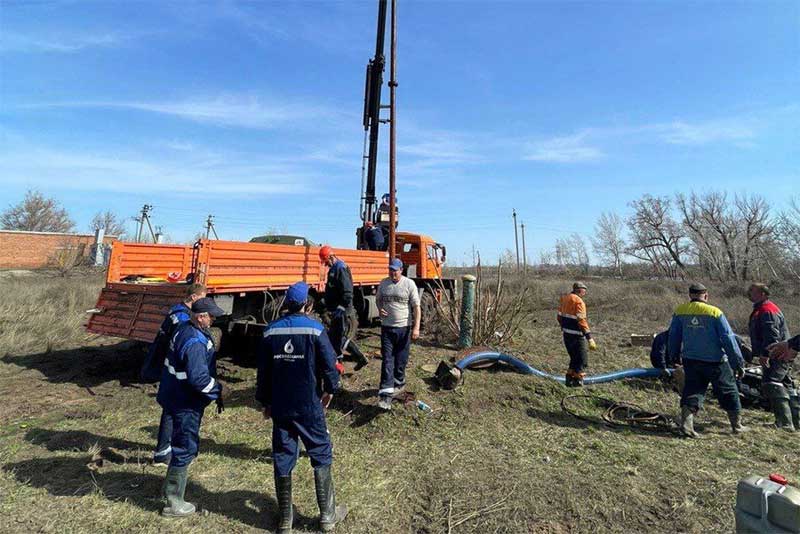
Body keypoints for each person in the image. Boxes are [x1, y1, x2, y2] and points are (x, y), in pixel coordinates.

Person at [256, 281, 347, 533]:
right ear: (307, 304)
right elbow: (330, 366)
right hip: (309, 404)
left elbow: (263, 372)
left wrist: (265, 402)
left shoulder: (270, 331)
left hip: (281, 405)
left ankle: (285, 521)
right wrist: (330, 390)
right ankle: (327, 516)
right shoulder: (316, 330)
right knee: (320, 451)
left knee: (283, 454)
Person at [157, 297, 225, 517]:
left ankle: (169, 489)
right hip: (185, 401)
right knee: (185, 447)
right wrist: (219, 389)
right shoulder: (194, 341)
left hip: (173, 394)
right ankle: (174, 502)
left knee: (181, 443)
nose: (214, 320)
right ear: (200, 316)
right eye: (211, 316)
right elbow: (199, 380)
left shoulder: (183, 328)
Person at [668, 283, 747, 438]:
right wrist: (737, 363)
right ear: (706, 295)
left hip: (690, 360)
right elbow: (728, 338)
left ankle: (686, 426)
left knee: (692, 390)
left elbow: (673, 335)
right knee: (729, 391)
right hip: (715, 361)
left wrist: (673, 356)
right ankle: (737, 426)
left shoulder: (680, 311)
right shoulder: (715, 312)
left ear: (690, 295)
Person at [143, 283, 207, 466]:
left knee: (172, 411)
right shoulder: (181, 317)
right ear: (194, 297)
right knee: (175, 412)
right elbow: (182, 345)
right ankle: (165, 453)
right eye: (203, 296)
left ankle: (167, 450)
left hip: (170, 369)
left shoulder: (177, 310)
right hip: (176, 373)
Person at [748, 283, 795, 431]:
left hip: (778, 354)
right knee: (787, 385)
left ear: (763, 294)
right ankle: (794, 420)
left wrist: (765, 354)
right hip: (781, 353)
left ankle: (785, 423)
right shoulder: (762, 309)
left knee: (772, 382)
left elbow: (771, 336)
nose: (750, 293)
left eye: (753, 291)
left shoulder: (767, 310)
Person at [375, 258, 421, 411]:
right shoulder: (384, 283)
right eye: (390, 270)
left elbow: (416, 307)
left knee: (401, 360)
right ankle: (385, 397)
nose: (392, 272)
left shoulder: (409, 284)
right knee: (387, 360)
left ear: (401, 270)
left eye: (395, 270)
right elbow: (378, 300)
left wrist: (416, 328)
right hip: (387, 328)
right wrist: (380, 309)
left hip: (404, 328)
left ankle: (399, 383)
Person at [318, 245, 369, 370]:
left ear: (331, 257)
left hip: (341, 311)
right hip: (336, 309)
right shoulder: (334, 268)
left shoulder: (340, 268)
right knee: (336, 339)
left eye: (326, 261)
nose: (325, 264)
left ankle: (357, 359)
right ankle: (343, 364)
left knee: (338, 338)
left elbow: (347, 293)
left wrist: (340, 309)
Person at [557, 282, 597, 387]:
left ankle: (569, 378)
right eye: (584, 290)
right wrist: (589, 338)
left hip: (566, 335)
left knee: (574, 358)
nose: (585, 292)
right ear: (580, 290)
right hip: (577, 336)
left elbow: (559, 317)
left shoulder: (565, 299)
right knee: (582, 359)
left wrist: (564, 327)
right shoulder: (579, 302)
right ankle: (578, 381)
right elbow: (581, 320)